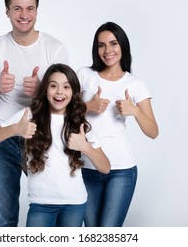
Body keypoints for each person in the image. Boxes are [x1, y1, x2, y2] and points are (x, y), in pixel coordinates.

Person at [0, 0, 69, 227]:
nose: (24, 15)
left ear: (37, 10)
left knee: (52, 205)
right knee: (5, 219)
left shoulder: (55, 49)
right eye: (17, 8)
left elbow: (67, 103)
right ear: (7, 11)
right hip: (2, 137)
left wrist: (42, 91)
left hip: (41, 136)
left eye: (30, 8)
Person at [0, 64, 110, 227]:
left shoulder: (79, 123)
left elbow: (105, 167)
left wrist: (85, 147)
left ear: (74, 92)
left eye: (66, 87)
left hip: (74, 204)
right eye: (53, 86)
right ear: (45, 90)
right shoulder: (29, 115)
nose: (59, 92)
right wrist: (15, 129)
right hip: (41, 205)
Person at [77, 22, 158, 227]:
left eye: (113, 43)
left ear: (122, 46)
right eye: (101, 45)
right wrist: (88, 106)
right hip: (87, 167)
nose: (107, 50)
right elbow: (61, 113)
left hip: (121, 170)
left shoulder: (134, 84)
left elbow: (153, 131)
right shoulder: (84, 75)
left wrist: (135, 111)